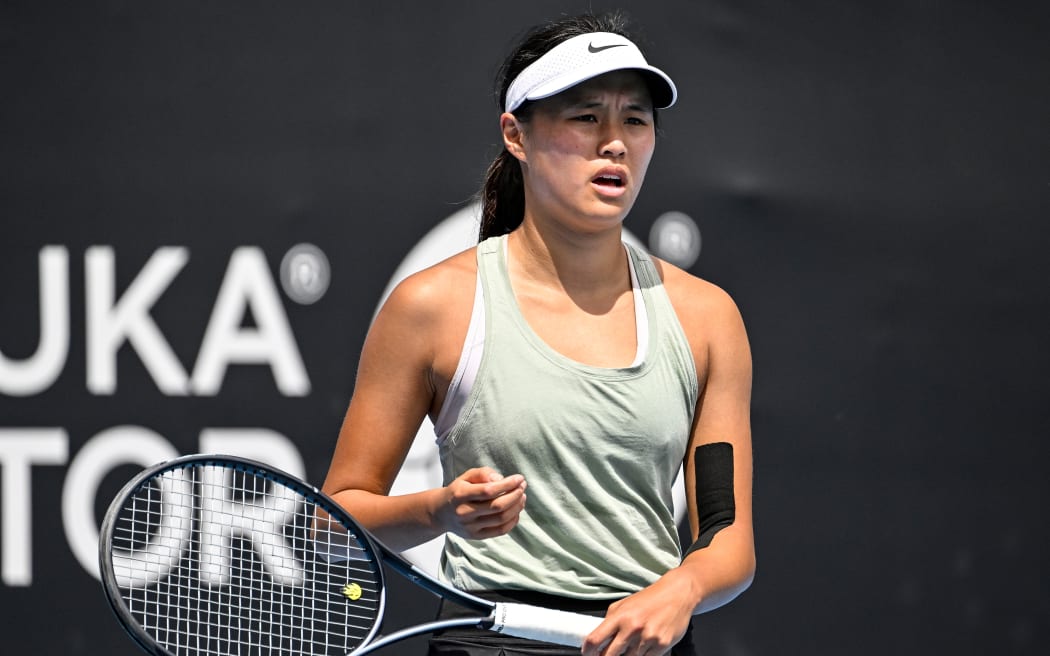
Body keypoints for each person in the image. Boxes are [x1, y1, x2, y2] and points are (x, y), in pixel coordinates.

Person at [323, 11, 755, 656]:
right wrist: (440, 511)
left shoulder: (707, 317)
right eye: (586, 117)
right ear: (516, 135)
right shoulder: (431, 306)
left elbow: (727, 534)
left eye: (635, 120)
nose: (615, 143)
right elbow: (335, 523)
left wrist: (682, 589)